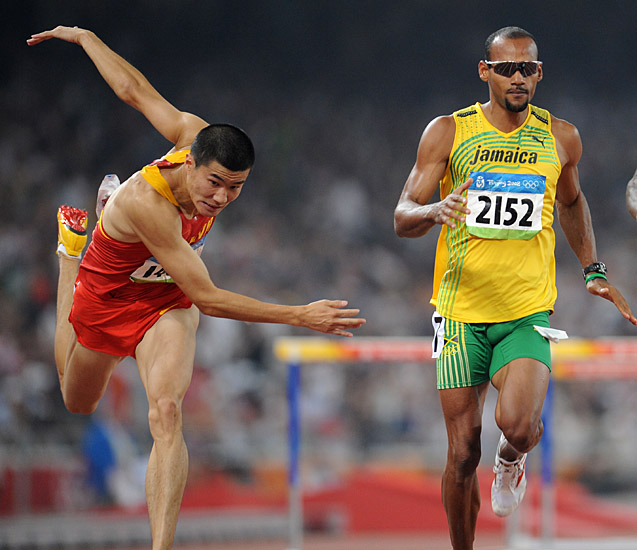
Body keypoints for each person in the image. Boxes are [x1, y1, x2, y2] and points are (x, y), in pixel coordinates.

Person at [28, 25, 366, 550]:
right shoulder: (149, 204)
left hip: (166, 301)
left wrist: (85, 37)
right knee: (77, 400)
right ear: (189, 162)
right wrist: (301, 315)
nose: (222, 198)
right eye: (214, 183)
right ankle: (70, 255)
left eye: (236, 188)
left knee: (166, 411)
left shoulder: (198, 135)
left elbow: (135, 90)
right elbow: (210, 298)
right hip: (108, 295)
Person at [393, 26, 636, 550]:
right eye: (506, 69)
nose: (518, 78)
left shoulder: (561, 137)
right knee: (462, 454)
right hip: (459, 314)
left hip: (526, 312)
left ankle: (511, 460)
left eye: (527, 68)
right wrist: (433, 210)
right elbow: (402, 216)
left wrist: (593, 269)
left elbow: (571, 202)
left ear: (539, 73)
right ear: (486, 72)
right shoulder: (449, 132)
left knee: (519, 426)